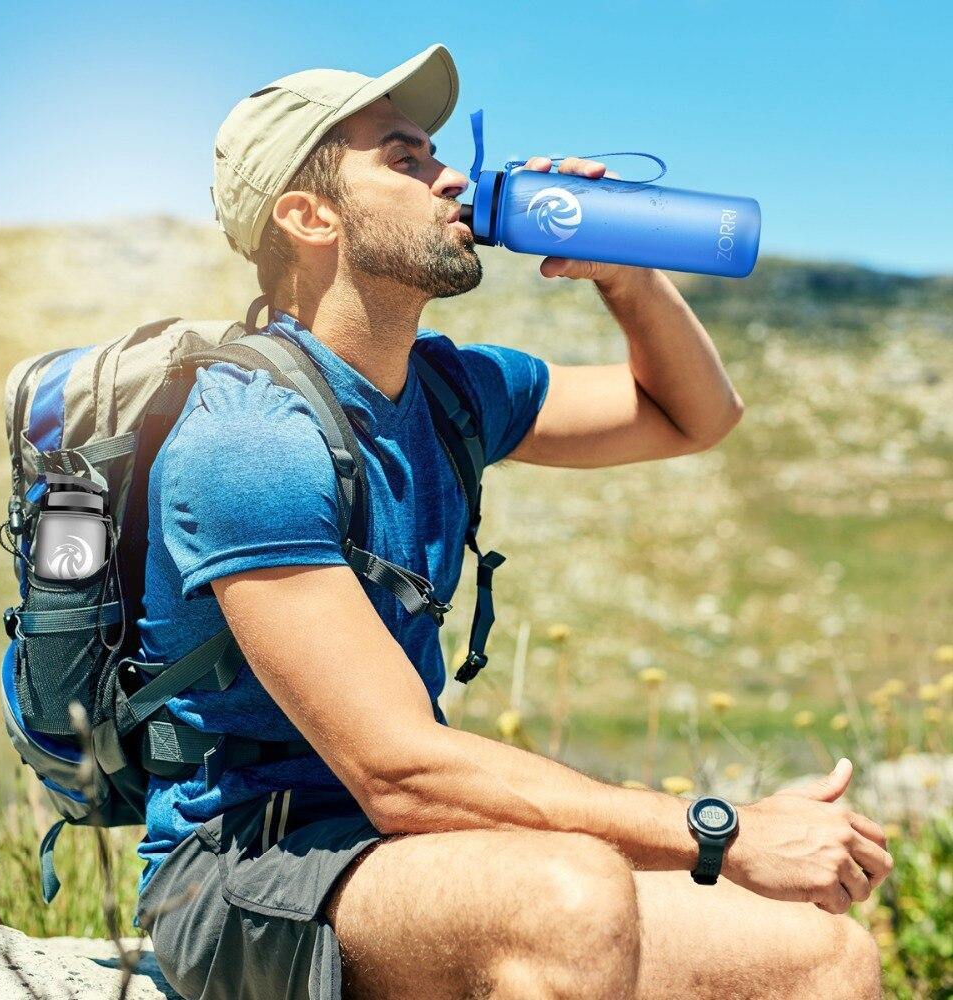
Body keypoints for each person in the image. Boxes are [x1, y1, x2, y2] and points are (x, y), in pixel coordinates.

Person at [134, 42, 890, 1000]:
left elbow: (693, 416)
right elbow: (397, 770)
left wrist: (627, 277)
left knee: (821, 956)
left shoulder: (452, 388)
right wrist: (723, 831)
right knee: (567, 899)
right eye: (404, 159)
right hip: (244, 872)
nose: (453, 176)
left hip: (404, 852)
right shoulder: (248, 438)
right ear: (307, 215)